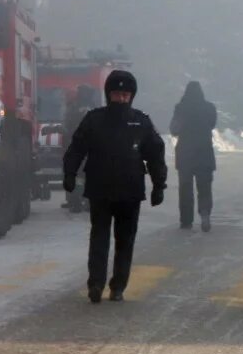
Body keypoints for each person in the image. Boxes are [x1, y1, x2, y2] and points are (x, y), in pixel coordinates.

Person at [64, 69, 167, 303]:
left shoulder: (141, 121)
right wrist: (70, 173)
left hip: (130, 191)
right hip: (100, 189)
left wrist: (159, 184)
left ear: (132, 96)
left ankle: (118, 286)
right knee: (99, 238)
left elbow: (155, 154)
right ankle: (96, 284)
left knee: (125, 241)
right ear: (108, 94)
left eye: (125, 95)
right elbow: (77, 148)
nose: (120, 99)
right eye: (116, 94)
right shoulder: (94, 119)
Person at [169, 81, 220, 231]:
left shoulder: (180, 108)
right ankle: (205, 214)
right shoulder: (209, 108)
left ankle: (186, 220)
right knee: (204, 186)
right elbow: (212, 124)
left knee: (185, 188)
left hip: (185, 153)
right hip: (204, 152)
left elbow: (174, 130)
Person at [61, 84, 103, 214]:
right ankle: (90, 203)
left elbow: (67, 127)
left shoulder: (73, 108)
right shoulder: (96, 109)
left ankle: (75, 203)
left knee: (76, 176)